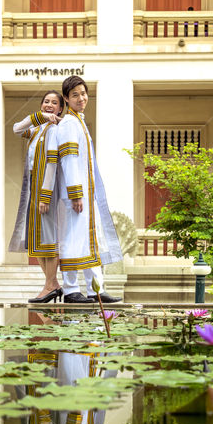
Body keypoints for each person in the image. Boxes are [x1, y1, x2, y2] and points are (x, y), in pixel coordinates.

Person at [50, 76, 122, 303]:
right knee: (72, 239)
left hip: (85, 194)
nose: (81, 98)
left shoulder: (78, 121)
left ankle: (95, 290)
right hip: (75, 196)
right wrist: (75, 194)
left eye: (83, 93)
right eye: (75, 95)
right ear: (66, 99)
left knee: (90, 239)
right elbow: (69, 160)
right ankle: (71, 290)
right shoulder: (69, 124)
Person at [8, 91, 66, 303]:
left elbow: (52, 164)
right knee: (36, 238)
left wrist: (45, 196)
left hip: (47, 188)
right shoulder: (38, 129)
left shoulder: (57, 130)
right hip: (33, 185)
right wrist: (39, 116)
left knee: (48, 238)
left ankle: (50, 285)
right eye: (46, 102)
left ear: (61, 108)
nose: (49, 105)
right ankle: (52, 284)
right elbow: (16, 128)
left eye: (54, 103)